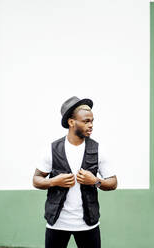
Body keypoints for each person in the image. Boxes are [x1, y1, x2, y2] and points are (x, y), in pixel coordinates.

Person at [33, 96, 117, 248]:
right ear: (71, 122)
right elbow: (36, 179)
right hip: (57, 223)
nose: (91, 125)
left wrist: (95, 181)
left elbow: (113, 183)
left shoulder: (98, 149)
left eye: (92, 121)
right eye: (86, 121)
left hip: (88, 224)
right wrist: (53, 181)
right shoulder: (51, 149)